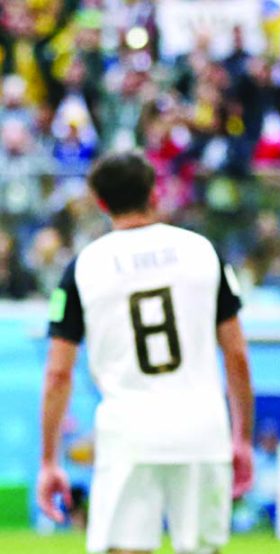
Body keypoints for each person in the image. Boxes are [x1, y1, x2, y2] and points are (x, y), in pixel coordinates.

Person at [36, 151, 255, 554]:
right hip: (202, 430)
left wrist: (49, 461)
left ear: (100, 203)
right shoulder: (203, 252)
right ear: (155, 193)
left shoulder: (83, 267)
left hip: (128, 433)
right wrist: (242, 437)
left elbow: (57, 374)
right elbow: (237, 355)